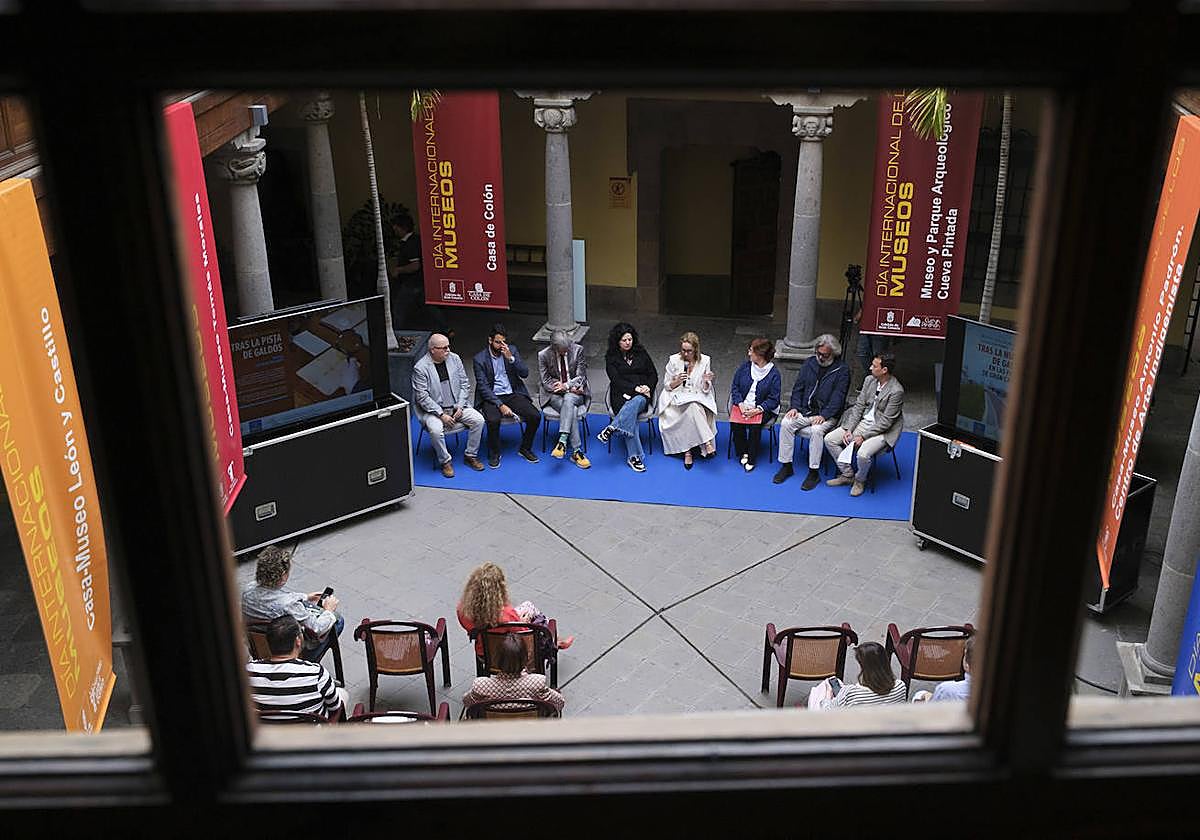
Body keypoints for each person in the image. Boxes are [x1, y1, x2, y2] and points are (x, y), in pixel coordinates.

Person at [242, 544, 344, 668]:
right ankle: (307, 663)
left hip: (259, 644)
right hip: (286, 645)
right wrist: (329, 610)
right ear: (283, 575)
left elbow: (272, 596)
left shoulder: (247, 590)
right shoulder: (289, 605)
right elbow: (317, 628)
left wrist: (305, 596)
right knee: (337, 620)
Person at [456, 562, 573, 667]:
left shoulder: (462, 610)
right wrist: (524, 621)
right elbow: (524, 635)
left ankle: (556, 641)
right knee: (532, 611)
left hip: (485, 654)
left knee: (527, 607)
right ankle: (554, 641)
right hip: (512, 654)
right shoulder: (506, 614)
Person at [773, 333, 851, 490]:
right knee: (786, 422)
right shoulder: (809, 363)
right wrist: (794, 407)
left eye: (825, 355)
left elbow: (838, 399)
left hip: (826, 414)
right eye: (818, 353)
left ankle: (813, 472)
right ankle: (786, 465)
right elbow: (798, 389)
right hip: (804, 410)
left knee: (816, 430)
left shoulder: (842, 370)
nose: (820, 357)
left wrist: (824, 415)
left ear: (833, 354)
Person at [824, 351, 905, 497]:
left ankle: (860, 480)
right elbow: (859, 406)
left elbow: (886, 422)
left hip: (882, 431)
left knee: (863, 454)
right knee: (829, 439)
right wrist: (850, 428)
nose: (870, 368)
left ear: (884, 370)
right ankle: (848, 474)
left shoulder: (896, 391)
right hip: (863, 422)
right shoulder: (869, 380)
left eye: (874, 366)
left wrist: (863, 436)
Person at [246, 614, 349, 720]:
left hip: (267, 734)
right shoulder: (317, 674)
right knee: (342, 693)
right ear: (298, 641)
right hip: (310, 735)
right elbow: (335, 707)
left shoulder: (248, 672)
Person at [411, 333, 485, 477]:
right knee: (436, 430)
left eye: (448, 346)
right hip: (433, 411)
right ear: (433, 349)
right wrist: (441, 414)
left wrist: (460, 405)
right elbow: (422, 398)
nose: (448, 350)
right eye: (444, 348)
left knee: (479, 420)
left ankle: (470, 455)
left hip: (457, 406)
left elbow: (465, 384)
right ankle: (445, 461)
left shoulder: (454, 359)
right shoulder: (420, 368)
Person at [472, 323, 542, 468]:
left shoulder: (512, 351)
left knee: (535, 416)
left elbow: (525, 373)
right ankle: (495, 452)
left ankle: (525, 448)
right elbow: (483, 387)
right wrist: (500, 405)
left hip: (512, 392)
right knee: (493, 420)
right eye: (498, 342)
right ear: (490, 340)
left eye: (503, 342)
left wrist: (511, 359)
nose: (501, 345)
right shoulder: (479, 359)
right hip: (491, 396)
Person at [597, 322, 658, 473]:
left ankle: (613, 427)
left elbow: (653, 374)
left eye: (630, 339)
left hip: (642, 396)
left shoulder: (641, 352)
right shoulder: (611, 357)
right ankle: (634, 457)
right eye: (624, 340)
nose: (627, 342)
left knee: (636, 403)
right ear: (617, 341)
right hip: (620, 394)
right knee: (631, 418)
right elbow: (615, 380)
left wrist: (647, 387)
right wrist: (634, 388)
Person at [462, 633, 566, 715]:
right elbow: (560, 703)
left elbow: (467, 702)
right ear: (526, 658)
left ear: (496, 659)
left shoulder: (481, 686)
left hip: (494, 734)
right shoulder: (537, 683)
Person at [657, 331, 718, 469]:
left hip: (696, 396)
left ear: (695, 349)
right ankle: (707, 443)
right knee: (692, 407)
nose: (685, 354)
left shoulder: (705, 361)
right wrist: (676, 382)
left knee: (693, 406)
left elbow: (706, 389)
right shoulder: (673, 360)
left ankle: (687, 453)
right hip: (676, 399)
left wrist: (707, 381)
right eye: (683, 350)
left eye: (689, 351)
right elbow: (666, 385)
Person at [537, 329, 591, 469]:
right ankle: (577, 451)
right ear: (554, 347)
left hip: (575, 392)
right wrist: (557, 387)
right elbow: (545, 380)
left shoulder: (578, 350)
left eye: (567, 348)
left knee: (569, 398)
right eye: (562, 350)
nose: (566, 352)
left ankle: (562, 442)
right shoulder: (543, 355)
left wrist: (566, 386)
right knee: (571, 408)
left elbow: (581, 377)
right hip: (554, 394)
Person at [389, 211, 450, 334]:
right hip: (421, 280)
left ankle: (396, 334)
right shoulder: (416, 240)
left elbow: (415, 265)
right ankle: (446, 328)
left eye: (396, 227)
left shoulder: (410, 244)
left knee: (399, 308)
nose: (394, 230)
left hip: (411, 282)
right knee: (430, 306)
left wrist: (398, 270)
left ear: (403, 228)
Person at [728, 337, 782, 473]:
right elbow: (735, 387)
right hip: (743, 405)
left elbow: (773, 399)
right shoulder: (745, 367)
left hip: (764, 409)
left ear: (760, 355)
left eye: (751, 351)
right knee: (736, 423)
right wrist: (740, 404)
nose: (749, 353)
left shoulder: (774, 374)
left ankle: (752, 458)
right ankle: (742, 452)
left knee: (754, 427)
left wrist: (758, 409)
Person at [807, 642, 907, 709]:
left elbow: (828, 711)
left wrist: (828, 694)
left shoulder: (851, 693)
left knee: (819, 690)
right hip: (881, 729)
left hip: (854, 733)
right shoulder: (900, 686)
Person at [913, 637, 974, 703]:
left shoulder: (946, 690)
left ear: (967, 665)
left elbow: (932, 709)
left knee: (919, 696)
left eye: (965, 654)